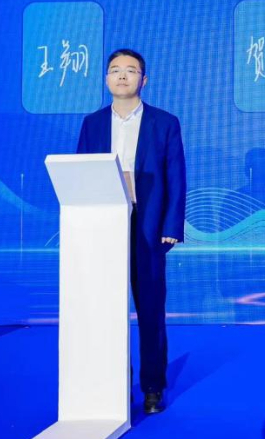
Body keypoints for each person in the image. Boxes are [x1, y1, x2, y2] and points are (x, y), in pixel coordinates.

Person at [76, 48, 186, 414]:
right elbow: (82, 176)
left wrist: (171, 225)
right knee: (106, 309)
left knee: (151, 309)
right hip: (105, 226)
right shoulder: (92, 123)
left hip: (148, 225)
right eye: (115, 70)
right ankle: (113, 385)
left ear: (144, 79)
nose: (122, 76)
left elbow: (176, 176)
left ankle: (152, 387)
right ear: (106, 79)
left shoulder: (164, 122)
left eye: (130, 70)